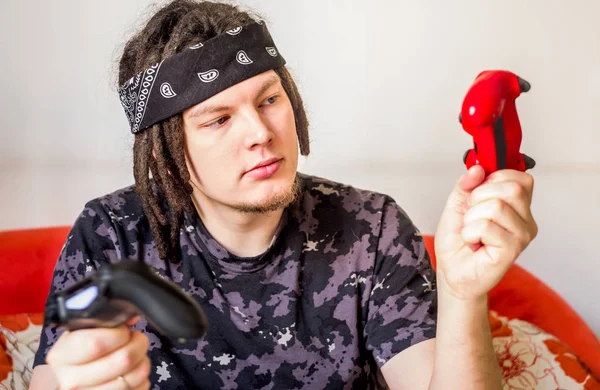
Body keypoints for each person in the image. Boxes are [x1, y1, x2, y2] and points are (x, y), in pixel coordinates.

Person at [29, 1, 538, 389]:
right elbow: (53, 374)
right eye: (219, 119)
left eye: (269, 99)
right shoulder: (112, 232)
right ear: (166, 154)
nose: (260, 132)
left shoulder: (373, 228)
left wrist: (462, 295)